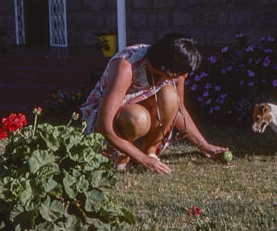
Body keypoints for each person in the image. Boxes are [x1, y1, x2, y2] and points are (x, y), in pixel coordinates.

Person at [81, 33, 228, 175]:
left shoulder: (175, 69)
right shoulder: (127, 66)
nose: (185, 76)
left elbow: (178, 110)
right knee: (138, 117)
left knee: (171, 96)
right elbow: (104, 125)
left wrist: (205, 146)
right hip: (102, 124)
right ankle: (122, 156)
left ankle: (150, 152)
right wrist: (143, 160)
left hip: (133, 117)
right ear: (167, 67)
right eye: (182, 72)